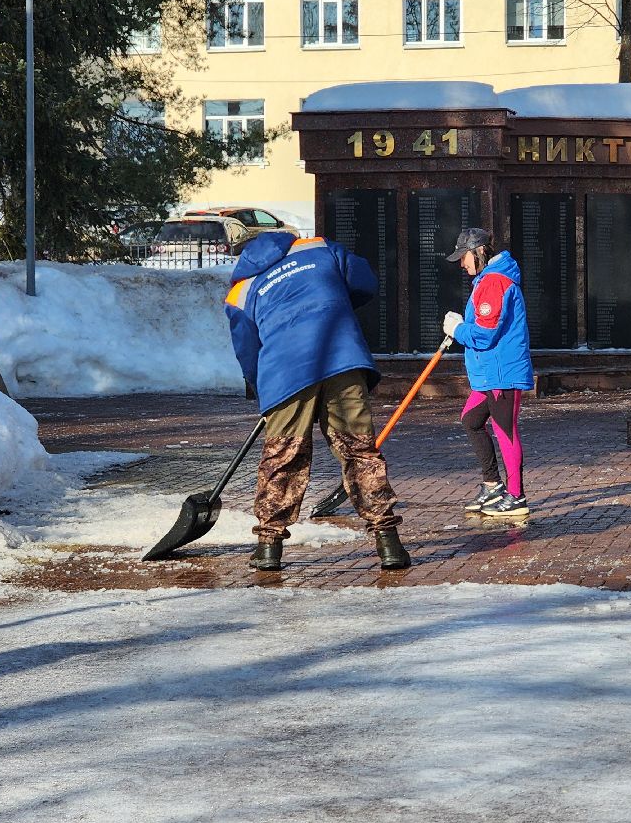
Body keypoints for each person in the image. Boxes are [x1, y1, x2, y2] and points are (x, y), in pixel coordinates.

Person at [225, 231, 409, 571]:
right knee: (360, 452)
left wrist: (265, 389)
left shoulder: (240, 292)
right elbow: (365, 281)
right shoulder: (320, 249)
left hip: (286, 373)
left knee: (282, 456)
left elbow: (247, 351)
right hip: (342, 360)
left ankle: (269, 548)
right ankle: (389, 546)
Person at [442, 227, 534, 518]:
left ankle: (517, 496)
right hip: (489, 373)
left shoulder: (494, 282)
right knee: (471, 420)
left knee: (505, 432)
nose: (461, 263)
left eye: (464, 257)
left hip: (501, 372)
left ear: (480, 252)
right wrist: (461, 326)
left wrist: (458, 329)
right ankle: (493, 484)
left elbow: (485, 334)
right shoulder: (487, 280)